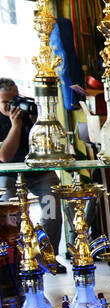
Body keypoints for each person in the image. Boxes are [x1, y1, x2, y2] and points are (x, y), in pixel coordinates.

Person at [0, 78, 64, 270]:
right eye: (5, 102)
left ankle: (47, 257)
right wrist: (16, 126)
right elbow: (5, 156)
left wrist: (38, 120)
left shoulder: (28, 111)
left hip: (39, 173)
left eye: (14, 99)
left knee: (51, 210)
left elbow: (49, 143)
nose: (12, 106)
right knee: (8, 212)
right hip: (8, 173)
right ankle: (14, 258)